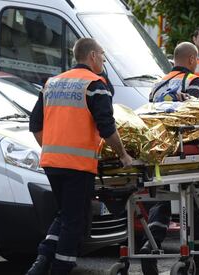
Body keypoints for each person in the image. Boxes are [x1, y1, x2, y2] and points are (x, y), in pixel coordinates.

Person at [26, 38, 133, 275]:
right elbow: (107, 127)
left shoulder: (52, 83)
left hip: (52, 163)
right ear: (93, 56)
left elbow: (34, 124)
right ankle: (61, 268)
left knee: (65, 214)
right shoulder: (95, 84)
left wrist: (52, 147)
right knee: (74, 222)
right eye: (103, 55)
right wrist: (124, 156)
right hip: (77, 166)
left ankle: (41, 262)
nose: (104, 60)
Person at [142, 42, 199, 275]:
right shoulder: (193, 81)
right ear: (193, 60)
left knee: (162, 200)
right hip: (189, 152)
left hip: (162, 152)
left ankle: (150, 246)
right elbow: (197, 113)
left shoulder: (157, 85)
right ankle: (198, 258)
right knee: (197, 200)